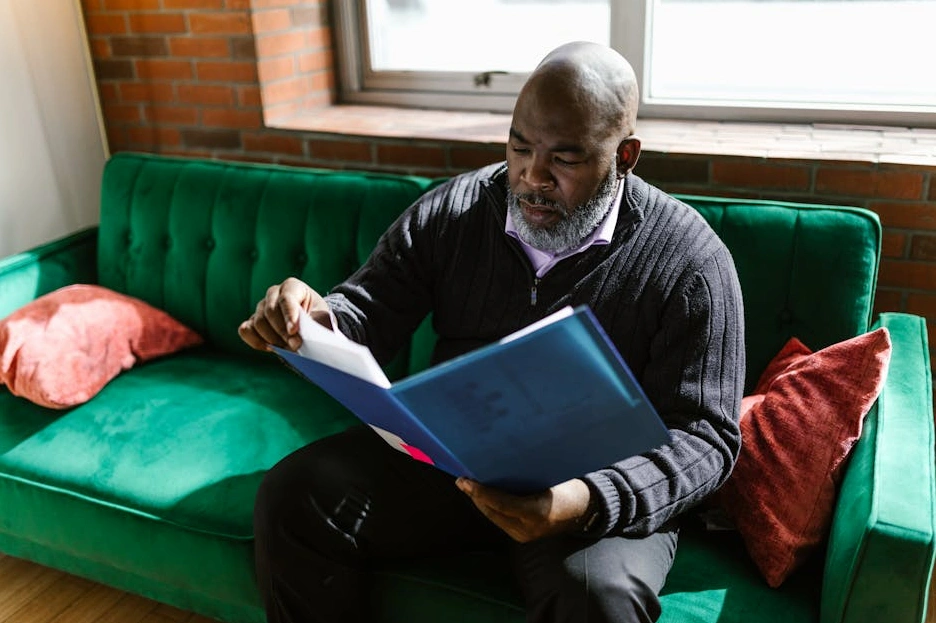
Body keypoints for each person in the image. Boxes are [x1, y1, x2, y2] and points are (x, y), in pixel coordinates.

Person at [238, 41, 745, 623]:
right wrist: (312, 318)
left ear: (625, 155)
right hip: (454, 462)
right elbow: (367, 307)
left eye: (565, 159)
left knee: (597, 599)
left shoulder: (691, 261)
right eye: (519, 146)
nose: (532, 177)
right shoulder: (454, 211)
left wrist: (582, 503)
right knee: (292, 497)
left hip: (589, 493)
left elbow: (708, 440)